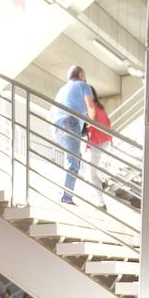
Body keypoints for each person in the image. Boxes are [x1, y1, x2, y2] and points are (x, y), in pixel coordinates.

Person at [51, 65, 97, 205]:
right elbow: (90, 106)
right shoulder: (84, 86)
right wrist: (91, 123)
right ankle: (65, 196)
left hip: (57, 126)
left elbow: (50, 112)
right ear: (81, 75)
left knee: (75, 159)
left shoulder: (62, 89)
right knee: (73, 161)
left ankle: (64, 191)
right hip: (70, 123)